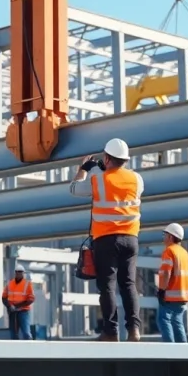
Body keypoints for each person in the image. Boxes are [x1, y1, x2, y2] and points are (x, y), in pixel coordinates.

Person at [69, 138, 143, 342]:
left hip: (106, 239)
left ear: (107, 158)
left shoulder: (97, 179)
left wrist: (85, 168)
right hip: (131, 239)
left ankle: (111, 332)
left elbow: (74, 189)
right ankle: (134, 330)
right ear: (125, 160)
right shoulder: (137, 179)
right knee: (128, 284)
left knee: (107, 286)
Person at [156, 223, 188, 343]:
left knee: (164, 320)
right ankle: (183, 351)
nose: (163, 238)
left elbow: (166, 273)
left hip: (170, 295)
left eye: (165, 235)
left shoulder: (169, 251)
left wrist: (161, 290)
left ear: (170, 237)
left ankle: (170, 349)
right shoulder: (184, 253)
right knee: (177, 322)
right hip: (183, 295)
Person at [2, 264, 35, 340]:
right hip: (12, 312)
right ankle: (15, 350)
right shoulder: (10, 284)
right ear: (15, 273)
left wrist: (18, 306)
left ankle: (30, 348)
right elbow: (4, 297)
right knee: (13, 333)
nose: (19, 273)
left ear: (23, 273)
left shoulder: (27, 284)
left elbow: (31, 299)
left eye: (21, 272)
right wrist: (9, 306)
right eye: (17, 272)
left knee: (26, 333)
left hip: (23, 311)